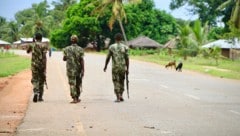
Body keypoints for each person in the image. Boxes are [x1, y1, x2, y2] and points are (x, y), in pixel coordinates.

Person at [104, 33, 129, 102]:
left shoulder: (112, 47)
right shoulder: (125, 47)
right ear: (121, 39)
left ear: (115, 39)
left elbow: (108, 58)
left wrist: (105, 66)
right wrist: (127, 69)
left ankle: (118, 97)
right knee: (122, 81)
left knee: (116, 81)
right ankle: (121, 95)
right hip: (122, 67)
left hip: (115, 68)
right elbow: (127, 59)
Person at [27, 33, 48, 103]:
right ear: (41, 38)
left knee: (35, 79)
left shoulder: (32, 45)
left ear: (35, 38)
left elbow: (28, 51)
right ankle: (40, 97)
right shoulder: (44, 45)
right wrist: (45, 67)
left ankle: (36, 92)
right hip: (41, 65)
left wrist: (33, 42)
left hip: (34, 65)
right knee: (41, 80)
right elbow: (44, 57)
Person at [63, 35, 84, 104]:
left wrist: (67, 57)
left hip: (70, 69)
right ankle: (77, 97)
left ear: (71, 40)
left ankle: (74, 98)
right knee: (78, 83)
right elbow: (82, 60)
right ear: (77, 40)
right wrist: (83, 69)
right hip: (78, 69)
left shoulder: (66, 49)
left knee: (72, 84)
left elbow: (64, 59)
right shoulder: (80, 49)